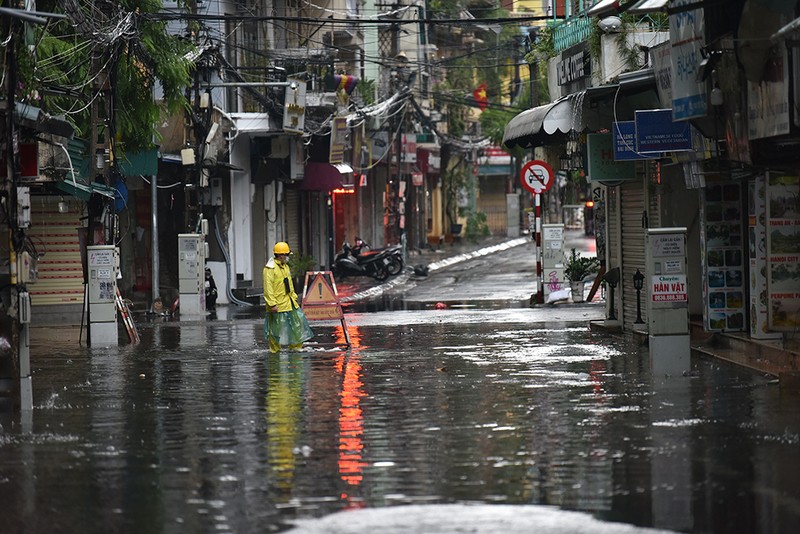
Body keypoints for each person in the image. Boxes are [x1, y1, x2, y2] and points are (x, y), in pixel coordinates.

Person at [263, 242, 314, 353]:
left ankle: (296, 348)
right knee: (276, 330)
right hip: (277, 305)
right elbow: (268, 289)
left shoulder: (285, 267)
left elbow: (289, 284)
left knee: (297, 324)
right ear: (281, 255)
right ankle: (275, 351)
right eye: (286, 255)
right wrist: (272, 304)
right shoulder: (270, 269)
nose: (287, 257)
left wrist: (294, 297)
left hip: (289, 302)